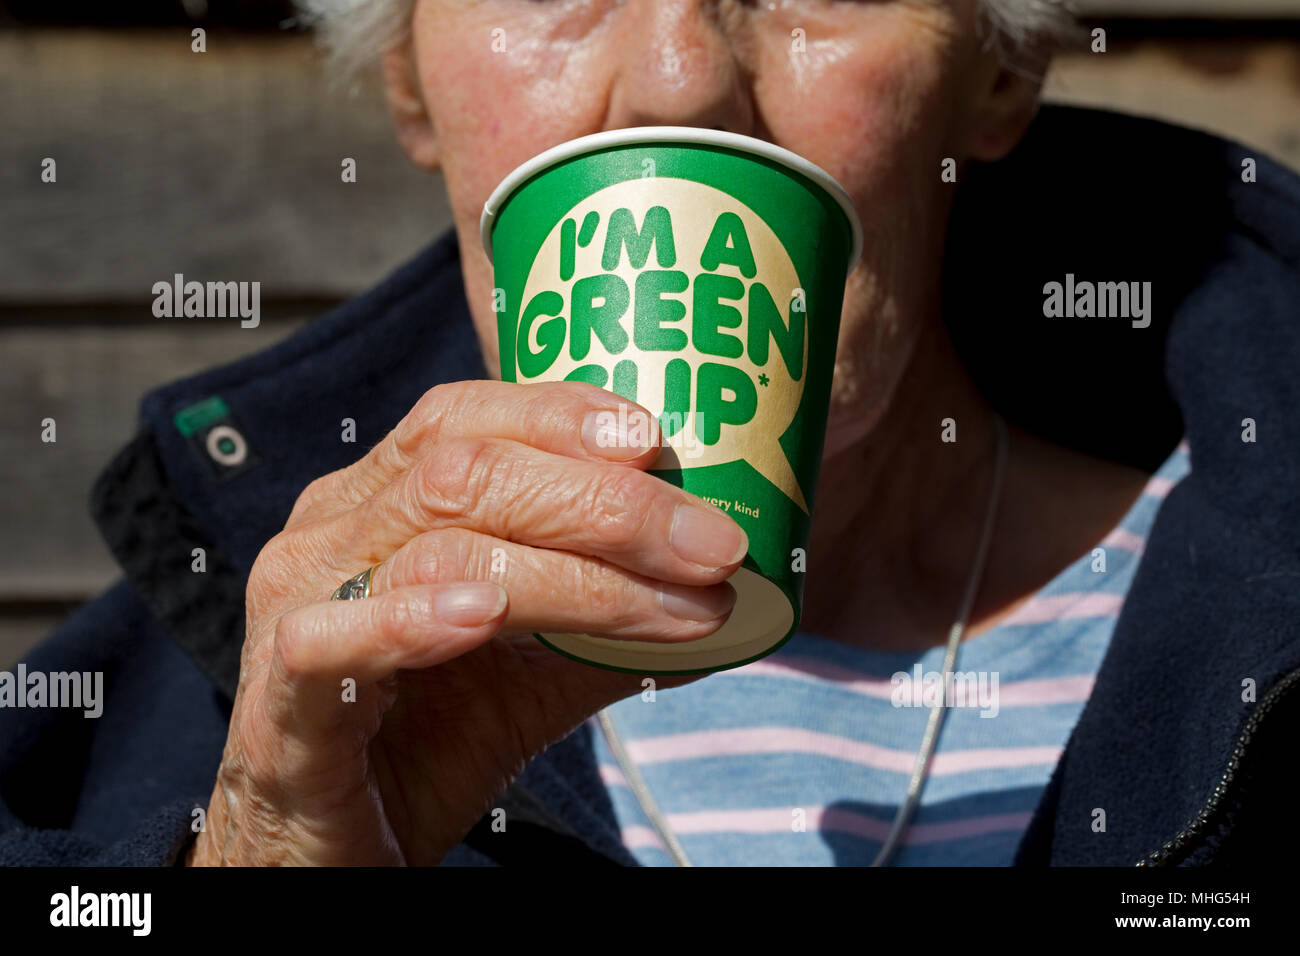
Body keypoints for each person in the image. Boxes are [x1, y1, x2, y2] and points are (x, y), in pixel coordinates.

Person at [2, 0, 1298, 867]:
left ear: (997, 66)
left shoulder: (1261, 621)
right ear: (409, 80)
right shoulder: (156, 728)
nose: (681, 81)